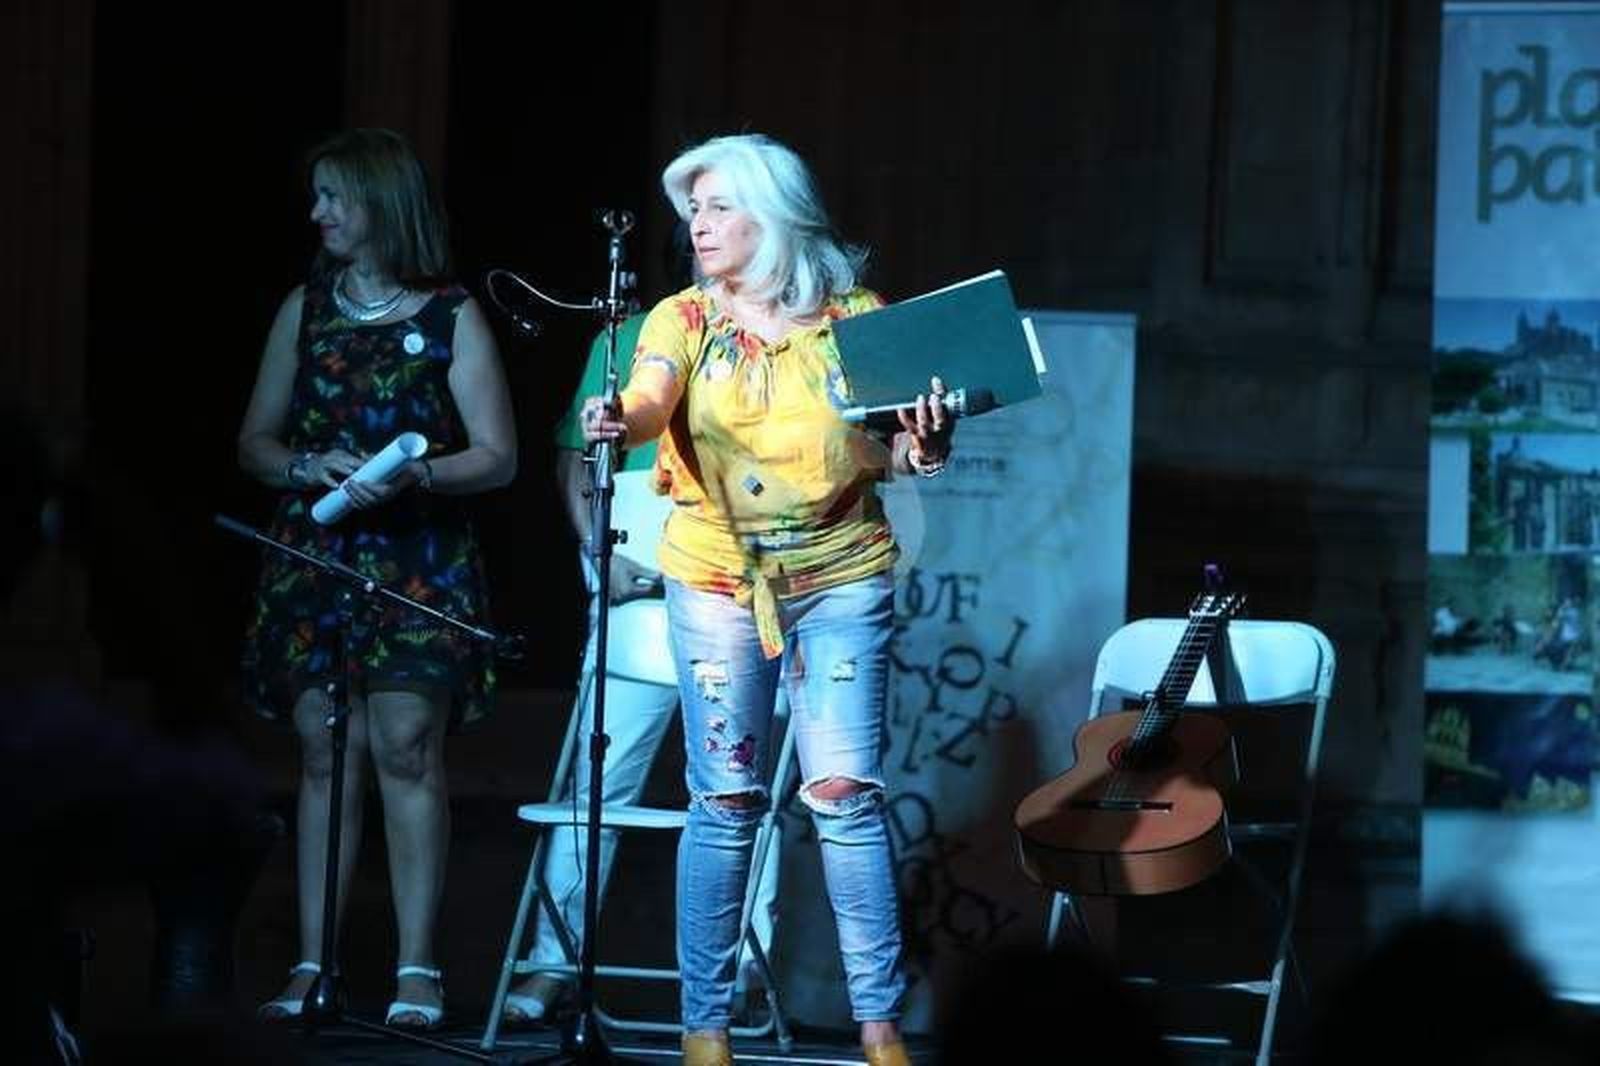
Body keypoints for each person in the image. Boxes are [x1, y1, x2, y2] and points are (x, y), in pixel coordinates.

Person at [580, 133, 953, 1066]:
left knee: (845, 796)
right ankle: (705, 1028)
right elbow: (651, 402)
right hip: (715, 576)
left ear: (773, 216)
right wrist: (617, 418)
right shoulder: (682, 319)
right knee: (729, 800)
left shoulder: (858, 318)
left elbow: (903, 454)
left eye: (716, 208)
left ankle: (879, 1027)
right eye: (691, 212)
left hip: (841, 573)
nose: (698, 227)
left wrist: (930, 440)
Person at [237, 128, 517, 1030]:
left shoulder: (450, 314)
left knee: (404, 746)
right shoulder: (305, 309)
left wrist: (417, 473)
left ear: (381, 204)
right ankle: (313, 962)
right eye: (315, 195)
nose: (317, 212)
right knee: (322, 749)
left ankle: (418, 970)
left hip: (417, 561)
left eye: (335, 196)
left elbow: (498, 456)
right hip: (318, 552)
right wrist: (303, 465)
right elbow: (255, 441)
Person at [503, 227, 781, 1026]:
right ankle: (553, 965)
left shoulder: (788, 343)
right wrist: (602, 552)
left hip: (742, 600)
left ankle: (741, 974)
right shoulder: (630, 337)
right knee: (597, 783)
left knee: (743, 794)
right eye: (703, 238)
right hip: (643, 601)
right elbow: (575, 461)